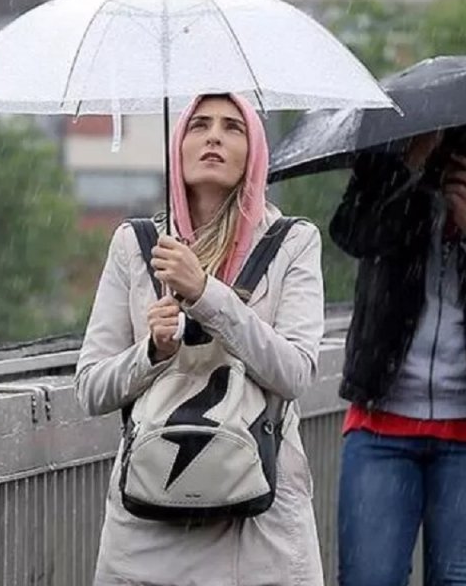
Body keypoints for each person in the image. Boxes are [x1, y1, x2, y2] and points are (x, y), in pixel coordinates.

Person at [76, 94, 326, 586]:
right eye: (199, 125)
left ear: (254, 150)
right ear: (178, 144)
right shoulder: (137, 244)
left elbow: (294, 373)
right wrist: (152, 351)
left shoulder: (293, 242)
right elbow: (90, 388)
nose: (214, 136)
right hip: (148, 531)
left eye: (233, 127)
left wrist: (206, 293)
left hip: (258, 532)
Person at [329, 121, 466, 586]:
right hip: (383, 421)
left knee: (461, 579)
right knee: (369, 576)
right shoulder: (390, 178)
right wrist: (408, 166)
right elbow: (353, 234)